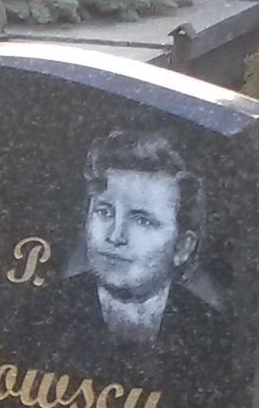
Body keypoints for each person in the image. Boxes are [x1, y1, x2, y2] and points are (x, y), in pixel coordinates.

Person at [71, 129, 213, 344]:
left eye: (142, 221)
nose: (115, 236)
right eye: (104, 212)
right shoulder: (37, 314)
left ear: (182, 247)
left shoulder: (211, 333)